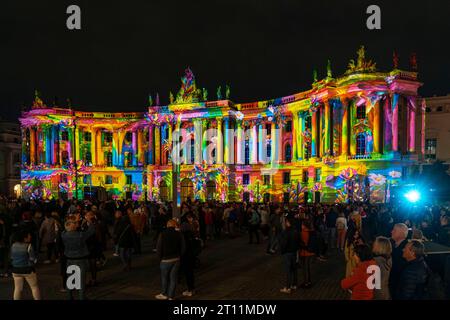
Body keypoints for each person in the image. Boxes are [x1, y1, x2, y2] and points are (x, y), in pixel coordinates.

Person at [62, 215, 96, 300]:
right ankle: (81, 297)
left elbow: (64, 229)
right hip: (80, 259)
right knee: (81, 282)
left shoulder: (64, 235)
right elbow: (91, 231)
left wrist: (71, 222)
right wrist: (90, 221)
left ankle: (69, 297)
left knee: (70, 280)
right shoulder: (80, 235)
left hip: (69, 259)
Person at [155, 219, 186, 300]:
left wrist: (159, 259)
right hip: (176, 259)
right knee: (173, 278)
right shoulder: (179, 234)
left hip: (165, 260)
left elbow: (159, 248)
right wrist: (179, 255)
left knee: (164, 278)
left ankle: (164, 293)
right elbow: (183, 247)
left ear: (167, 225)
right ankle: (171, 296)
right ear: (175, 225)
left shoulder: (162, 234)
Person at [10, 230, 41, 300]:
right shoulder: (28, 246)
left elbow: (11, 257)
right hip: (27, 270)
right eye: (28, 235)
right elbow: (33, 259)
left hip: (16, 270)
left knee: (18, 288)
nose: (30, 237)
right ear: (24, 237)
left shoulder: (13, 245)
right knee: (34, 287)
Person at [279, 217, 300, 293]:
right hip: (294, 252)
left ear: (288, 222)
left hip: (288, 252)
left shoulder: (286, 232)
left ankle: (288, 287)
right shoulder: (296, 231)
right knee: (294, 269)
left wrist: (282, 251)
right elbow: (298, 241)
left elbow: (284, 243)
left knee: (288, 270)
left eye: (286, 222)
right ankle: (294, 284)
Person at [389, 223, 409, 299]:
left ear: (401, 233)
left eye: (394, 230)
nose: (391, 232)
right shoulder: (393, 244)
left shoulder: (406, 249)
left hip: (400, 286)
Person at [180, 214, 196, 297]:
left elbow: (183, 247)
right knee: (190, 273)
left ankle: (190, 289)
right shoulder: (191, 233)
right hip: (191, 254)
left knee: (187, 273)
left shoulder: (184, 235)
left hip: (186, 255)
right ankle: (191, 288)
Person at [299, 215, 316, 289]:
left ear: (304, 226)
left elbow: (301, 243)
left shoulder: (303, 233)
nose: (301, 226)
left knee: (305, 268)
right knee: (308, 268)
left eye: (302, 225)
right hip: (311, 252)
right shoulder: (312, 231)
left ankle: (306, 283)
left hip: (304, 252)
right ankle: (309, 281)